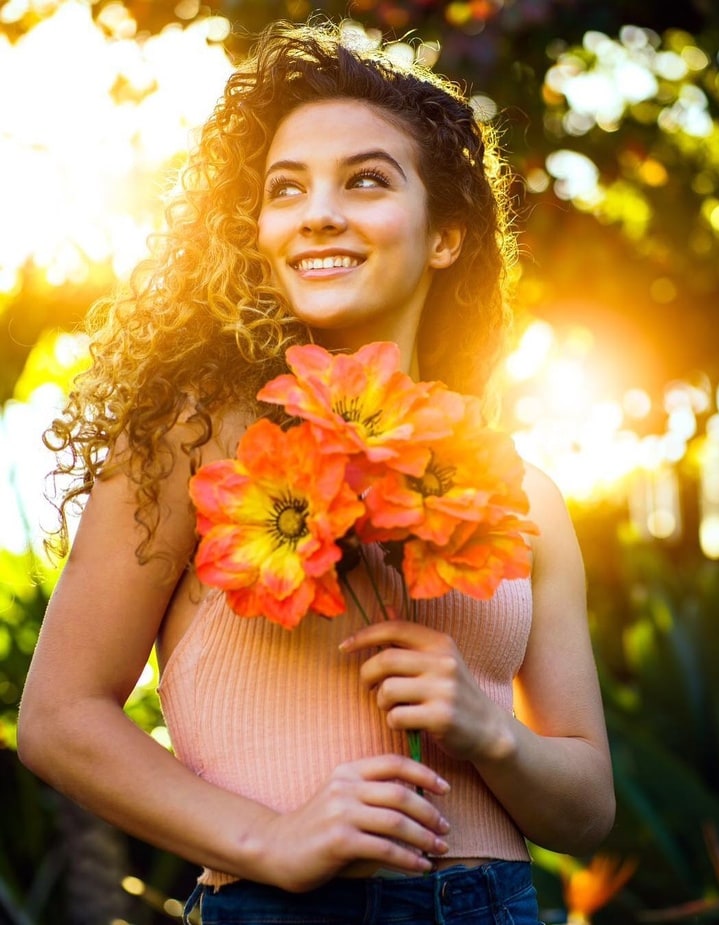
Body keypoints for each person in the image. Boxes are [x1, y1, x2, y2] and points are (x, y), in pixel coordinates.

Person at [18, 17, 615, 925]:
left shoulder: (523, 493)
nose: (318, 213)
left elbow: (586, 807)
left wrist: (493, 732)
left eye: (366, 180)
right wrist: (267, 841)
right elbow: (59, 717)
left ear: (447, 233)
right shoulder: (196, 442)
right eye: (285, 189)